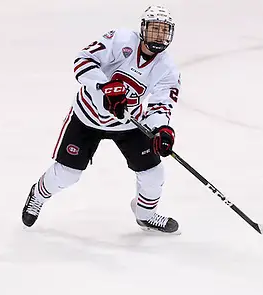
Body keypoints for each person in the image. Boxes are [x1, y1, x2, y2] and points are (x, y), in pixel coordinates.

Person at [21, 5, 181, 234]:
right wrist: (104, 88)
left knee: (153, 173)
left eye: (163, 31)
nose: (158, 36)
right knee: (67, 175)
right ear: (143, 29)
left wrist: (161, 130)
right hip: (87, 117)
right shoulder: (121, 40)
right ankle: (37, 194)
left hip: (129, 123)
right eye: (154, 29)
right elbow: (83, 60)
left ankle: (145, 215)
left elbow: (161, 104)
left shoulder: (167, 68)